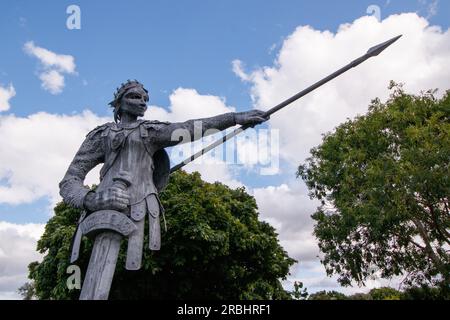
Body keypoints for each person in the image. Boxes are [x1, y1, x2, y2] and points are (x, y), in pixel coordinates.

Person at [59, 80, 269, 270]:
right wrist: (91, 199)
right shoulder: (100, 135)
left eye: (145, 99)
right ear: (119, 104)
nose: (142, 102)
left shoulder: (150, 131)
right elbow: (70, 180)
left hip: (140, 203)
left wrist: (232, 118)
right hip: (99, 211)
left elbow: (188, 128)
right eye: (134, 97)